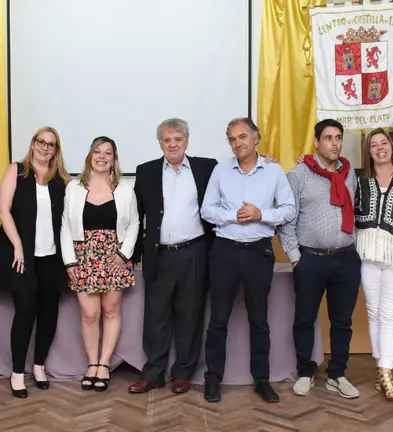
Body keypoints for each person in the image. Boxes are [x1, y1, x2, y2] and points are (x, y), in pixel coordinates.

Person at [199, 118, 296, 403]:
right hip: (225, 251)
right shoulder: (220, 171)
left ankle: (262, 381)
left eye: (243, 136)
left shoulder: (274, 172)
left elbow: (289, 209)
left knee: (259, 320)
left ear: (256, 138)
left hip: (258, 251)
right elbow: (207, 210)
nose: (238, 143)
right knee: (218, 320)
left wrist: (261, 214)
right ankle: (213, 379)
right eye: (232, 139)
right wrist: (235, 216)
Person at [128, 118, 217, 395]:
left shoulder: (207, 168)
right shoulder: (146, 172)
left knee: (190, 316)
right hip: (160, 255)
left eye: (178, 139)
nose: (173, 144)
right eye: (167, 140)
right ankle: (153, 373)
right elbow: (136, 216)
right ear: (160, 144)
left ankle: (182, 373)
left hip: (194, 254)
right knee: (156, 317)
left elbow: (237, 174)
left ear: (187, 141)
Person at [277, 119, 361, 399]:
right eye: (328, 138)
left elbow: (357, 215)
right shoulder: (298, 174)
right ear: (316, 142)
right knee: (304, 318)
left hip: (346, 260)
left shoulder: (349, 173)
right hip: (310, 260)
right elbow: (287, 220)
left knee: (342, 321)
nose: (335, 143)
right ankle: (305, 372)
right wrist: (295, 258)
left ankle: (338, 374)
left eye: (338, 138)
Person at [0, 127, 70, 398]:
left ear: (56, 150)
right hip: (20, 256)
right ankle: (17, 373)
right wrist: (18, 246)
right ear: (33, 143)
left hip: (52, 257)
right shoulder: (17, 170)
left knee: (49, 313)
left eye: (51, 144)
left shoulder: (62, 179)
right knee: (25, 310)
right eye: (41, 142)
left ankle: (39, 367)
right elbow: (3, 210)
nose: (45, 148)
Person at [61, 136, 139, 392]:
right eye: (98, 151)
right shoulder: (74, 187)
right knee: (90, 314)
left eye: (108, 153)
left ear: (114, 159)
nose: (102, 156)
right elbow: (65, 225)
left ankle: (104, 365)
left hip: (115, 257)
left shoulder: (126, 188)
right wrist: (69, 261)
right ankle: (91, 363)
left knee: (110, 311)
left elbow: (135, 223)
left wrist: (124, 254)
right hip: (82, 256)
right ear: (90, 156)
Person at [353, 128, 393, 401]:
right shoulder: (359, 179)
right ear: (368, 151)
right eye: (374, 145)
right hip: (367, 255)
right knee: (373, 312)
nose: (380, 148)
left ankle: (386, 371)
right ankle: (381, 369)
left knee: (389, 313)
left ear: (392, 147)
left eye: (384, 143)